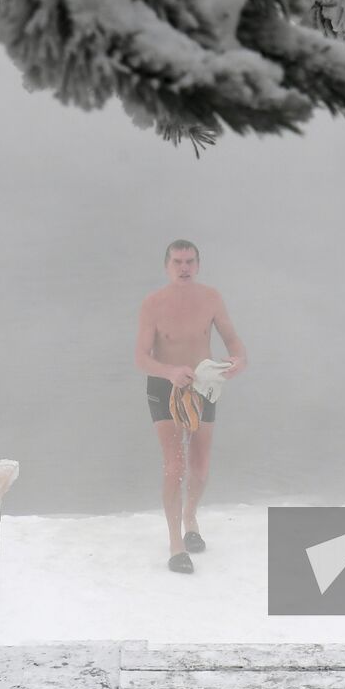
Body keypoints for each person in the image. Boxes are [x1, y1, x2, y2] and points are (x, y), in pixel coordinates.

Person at [134, 239, 247, 573]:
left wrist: (239, 359)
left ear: (198, 265)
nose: (184, 268)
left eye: (189, 262)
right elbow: (140, 357)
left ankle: (190, 518)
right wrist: (169, 371)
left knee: (199, 467)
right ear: (166, 266)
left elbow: (232, 339)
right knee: (175, 465)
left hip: (202, 384)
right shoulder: (152, 303)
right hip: (165, 386)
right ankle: (176, 544)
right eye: (177, 262)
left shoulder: (211, 298)